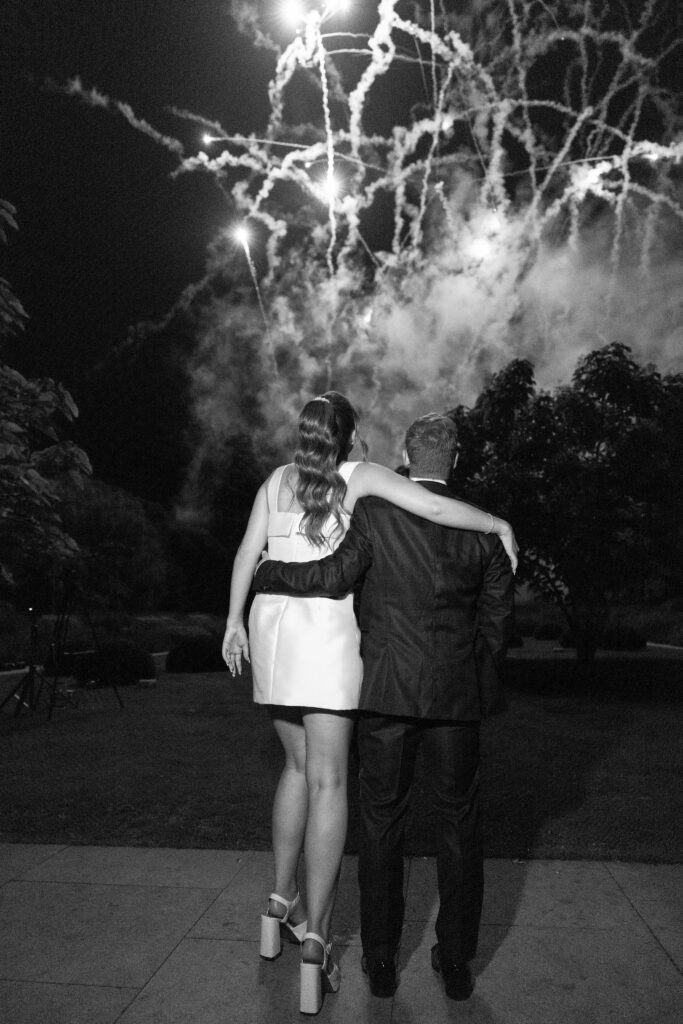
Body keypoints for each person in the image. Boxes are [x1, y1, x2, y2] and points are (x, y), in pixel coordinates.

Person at [222, 394, 517, 1015]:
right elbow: (444, 524)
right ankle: (386, 951)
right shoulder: (381, 488)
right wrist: (496, 524)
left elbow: (287, 563)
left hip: (325, 657)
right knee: (392, 801)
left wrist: (244, 608)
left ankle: (326, 933)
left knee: (334, 792)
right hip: (387, 668)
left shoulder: (312, 492)